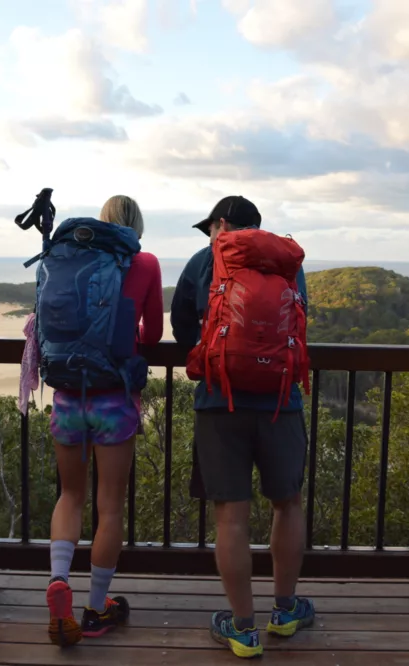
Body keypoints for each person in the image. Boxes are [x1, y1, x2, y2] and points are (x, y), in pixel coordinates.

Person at [171, 195, 315, 659]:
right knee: (287, 504)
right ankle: (287, 610)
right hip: (281, 403)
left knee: (231, 516)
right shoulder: (286, 263)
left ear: (219, 224)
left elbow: (180, 329)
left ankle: (243, 630)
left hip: (220, 401)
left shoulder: (202, 261)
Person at [45, 194, 163, 646]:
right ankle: (95, 608)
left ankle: (59, 582)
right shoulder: (145, 262)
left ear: (102, 222)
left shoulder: (70, 258)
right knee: (109, 504)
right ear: (136, 224)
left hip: (68, 394)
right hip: (113, 397)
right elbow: (151, 334)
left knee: (71, 494)